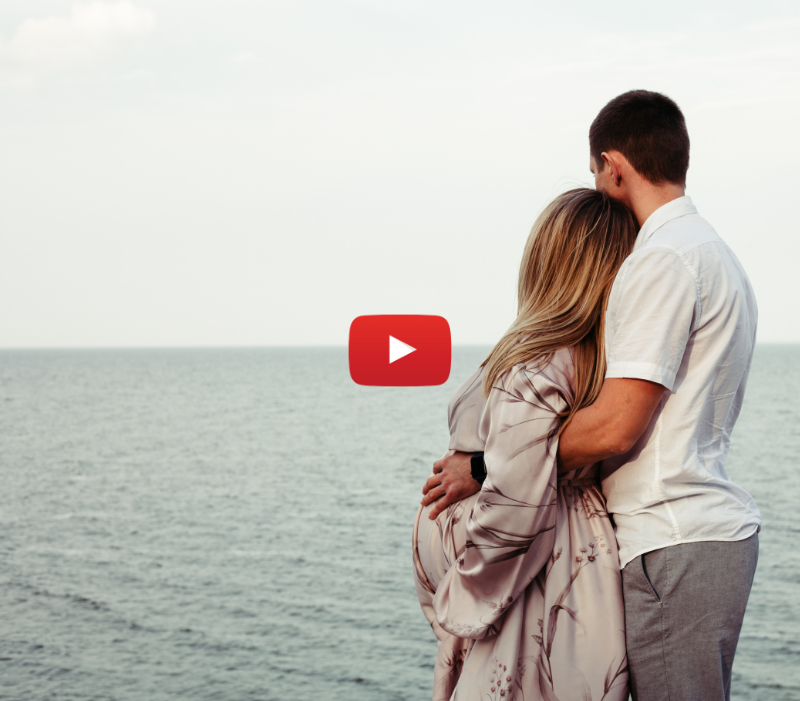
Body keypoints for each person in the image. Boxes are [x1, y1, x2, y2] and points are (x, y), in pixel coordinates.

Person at [421, 90, 762, 701]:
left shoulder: (661, 261)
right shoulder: (714, 253)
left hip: (671, 537)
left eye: (596, 175)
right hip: (694, 535)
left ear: (613, 166)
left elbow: (615, 428)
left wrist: (482, 466)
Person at [413, 187, 638, 701]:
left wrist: (460, 589)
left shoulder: (536, 366)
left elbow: (516, 506)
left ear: (548, 260)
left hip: (530, 587)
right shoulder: (597, 362)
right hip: (572, 568)